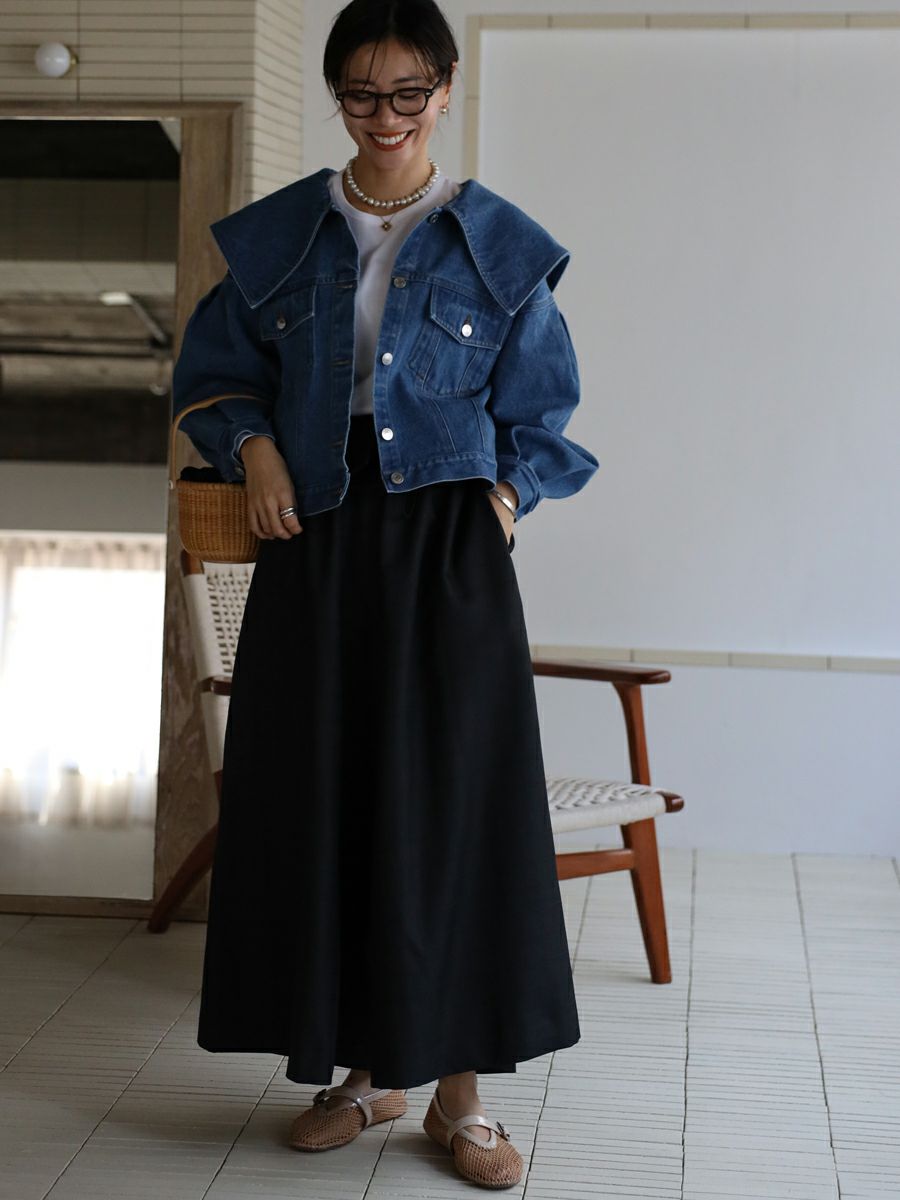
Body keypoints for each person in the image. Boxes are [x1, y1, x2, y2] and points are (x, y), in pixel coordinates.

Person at [171, 0, 599, 1189]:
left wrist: (501, 502)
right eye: (361, 93)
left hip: (447, 553)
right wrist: (255, 450)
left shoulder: (499, 244)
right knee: (329, 800)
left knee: (451, 811)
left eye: (409, 91)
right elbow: (212, 376)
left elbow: (546, 416)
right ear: (338, 99)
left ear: (445, 91)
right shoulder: (279, 235)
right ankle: (367, 1074)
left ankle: (460, 1100)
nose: (385, 115)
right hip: (317, 539)